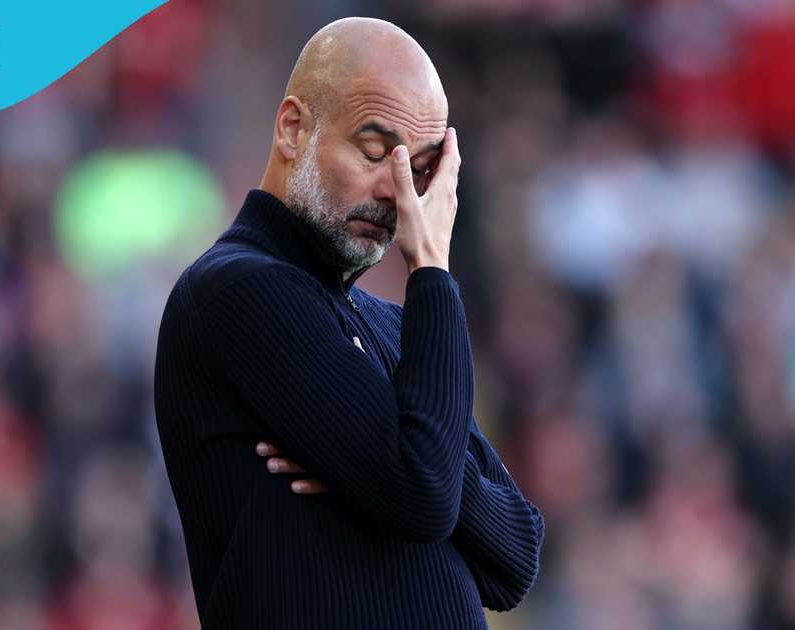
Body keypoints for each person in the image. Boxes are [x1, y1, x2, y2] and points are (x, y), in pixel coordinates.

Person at [154, 17, 544, 629]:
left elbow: (515, 558)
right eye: (374, 151)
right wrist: (431, 268)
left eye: (420, 170)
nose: (398, 193)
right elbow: (424, 494)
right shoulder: (237, 288)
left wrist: (387, 455)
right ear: (293, 128)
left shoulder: (392, 326)